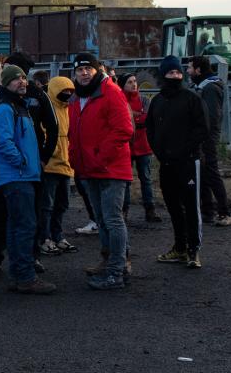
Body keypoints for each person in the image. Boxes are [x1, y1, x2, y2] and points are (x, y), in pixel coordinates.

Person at [68, 53, 134, 291]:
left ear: (97, 70)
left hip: (110, 168)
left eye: (88, 68)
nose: (84, 73)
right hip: (90, 169)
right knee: (103, 220)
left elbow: (124, 129)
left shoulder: (110, 92)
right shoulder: (78, 97)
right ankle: (111, 262)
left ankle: (116, 271)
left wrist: (100, 157)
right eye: (79, 70)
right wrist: (76, 159)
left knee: (113, 220)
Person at [0, 66, 55, 294]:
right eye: (16, 79)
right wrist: (22, 161)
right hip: (17, 175)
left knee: (16, 226)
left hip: (22, 175)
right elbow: (2, 141)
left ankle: (18, 275)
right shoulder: (5, 109)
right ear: (6, 83)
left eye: (24, 78)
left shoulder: (19, 106)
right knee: (25, 226)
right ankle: (26, 277)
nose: (22, 82)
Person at [147, 56, 208, 268]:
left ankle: (193, 251)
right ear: (163, 74)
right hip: (166, 163)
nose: (175, 76)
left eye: (178, 72)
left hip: (189, 162)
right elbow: (151, 129)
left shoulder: (191, 98)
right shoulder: (157, 101)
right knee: (173, 206)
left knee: (191, 207)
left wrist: (184, 151)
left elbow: (202, 128)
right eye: (170, 72)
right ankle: (179, 248)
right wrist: (159, 152)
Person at [188, 56, 231, 226]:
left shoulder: (211, 88)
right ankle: (207, 212)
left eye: (190, 68)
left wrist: (202, 135)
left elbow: (212, 117)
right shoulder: (201, 87)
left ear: (198, 70)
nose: (188, 71)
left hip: (207, 138)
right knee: (201, 174)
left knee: (212, 173)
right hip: (200, 137)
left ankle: (224, 213)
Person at [40, 76, 78, 256]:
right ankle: (45, 238)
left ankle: (58, 235)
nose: (68, 94)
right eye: (64, 91)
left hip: (66, 164)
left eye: (70, 91)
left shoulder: (69, 109)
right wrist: (53, 151)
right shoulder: (46, 109)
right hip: (51, 165)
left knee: (62, 204)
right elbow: (44, 134)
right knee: (46, 205)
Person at [117, 74, 161, 223]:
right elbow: (122, 120)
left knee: (146, 179)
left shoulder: (144, 100)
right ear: (123, 85)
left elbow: (146, 119)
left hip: (143, 146)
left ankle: (150, 210)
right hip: (126, 147)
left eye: (135, 81)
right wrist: (136, 116)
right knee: (125, 181)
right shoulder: (120, 100)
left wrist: (131, 116)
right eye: (130, 82)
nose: (134, 84)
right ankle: (124, 210)